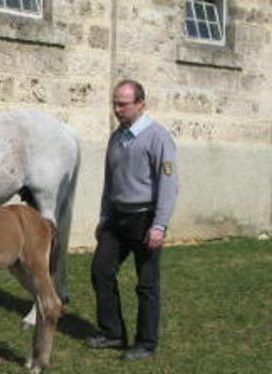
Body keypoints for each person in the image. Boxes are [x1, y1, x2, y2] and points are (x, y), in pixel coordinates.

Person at [87, 80, 178, 360]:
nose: (117, 109)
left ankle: (145, 343)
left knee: (146, 284)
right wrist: (104, 217)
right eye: (115, 103)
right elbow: (109, 182)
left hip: (145, 219)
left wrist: (159, 225)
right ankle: (113, 333)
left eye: (123, 104)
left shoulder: (157, 137)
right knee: (101, 271)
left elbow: (168, 184)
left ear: (140, 104)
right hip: (117, 218)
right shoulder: (116, 138)